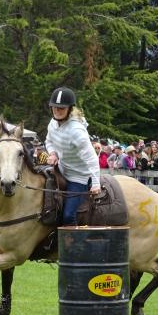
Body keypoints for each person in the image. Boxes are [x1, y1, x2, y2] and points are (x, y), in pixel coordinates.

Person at [45, 87, 100, 226]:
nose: (57, 111)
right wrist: (53, 153)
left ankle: (76, 246)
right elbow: (49, 141)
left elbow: (92, 158)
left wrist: (96, 183)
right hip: (61, 170)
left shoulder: (77, 131)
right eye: (55, 107)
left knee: (68, 216)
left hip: (79, 177)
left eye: (61, 108)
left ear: (70, 109)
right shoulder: (52, 123)